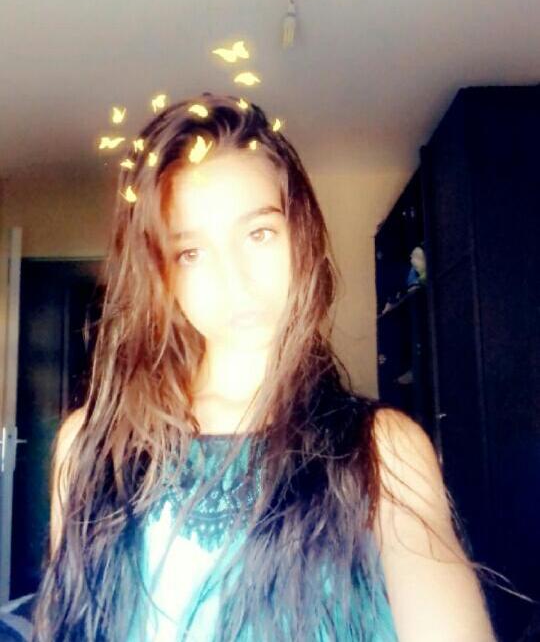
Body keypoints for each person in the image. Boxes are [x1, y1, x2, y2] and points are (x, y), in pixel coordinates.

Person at [31, 93, 499, 641]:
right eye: (191, 253)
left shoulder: (384, 451)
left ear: (300, 235)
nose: (234, 280)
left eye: (258, 234)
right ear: (160, 272)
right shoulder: (88, 447)